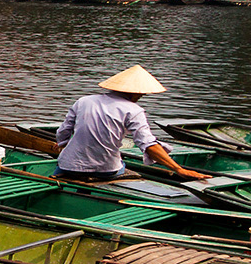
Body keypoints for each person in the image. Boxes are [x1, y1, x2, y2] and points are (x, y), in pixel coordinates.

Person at [54, 66, 207, 182]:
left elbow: (63, 131)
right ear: (134, 93)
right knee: (122, 167)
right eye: (141, 93)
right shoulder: (133, 110)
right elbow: (148, 145)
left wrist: (62, 143)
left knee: (65, 164)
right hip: (105, 170)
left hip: (69, 166)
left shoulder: (83, 101)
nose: (142, 95)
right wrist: (178, 169)